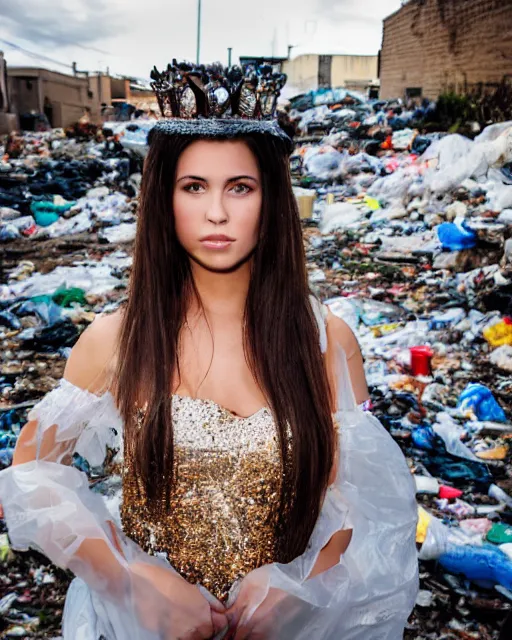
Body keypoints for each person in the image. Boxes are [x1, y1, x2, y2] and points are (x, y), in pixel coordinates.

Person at [0, 62, 418, 640]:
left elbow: (360, 496)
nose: (217, 213)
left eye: (239, 187)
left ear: (271, 200)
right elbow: (31, 476)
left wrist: (303, 589)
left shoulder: (327, 341)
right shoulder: (115, 340)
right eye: (194, 187)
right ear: (164, 200)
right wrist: (129, 581)